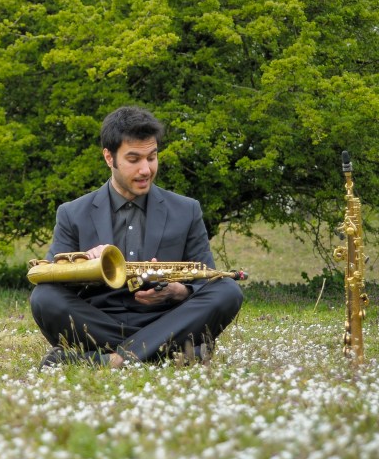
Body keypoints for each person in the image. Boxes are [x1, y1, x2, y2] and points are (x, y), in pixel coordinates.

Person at [30, 105, 244, 369]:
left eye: (152, 157)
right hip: (99, 322)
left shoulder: (187, 210)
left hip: (164, 321)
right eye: (134, 160)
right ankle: (162, 354)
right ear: (109, 158)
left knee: (227, 290)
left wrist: (178, 291)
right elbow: (51, 279)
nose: (146, 170)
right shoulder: (72, 213)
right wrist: (85, 265)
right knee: (43, 297)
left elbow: (205, 279)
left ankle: (113, 360)